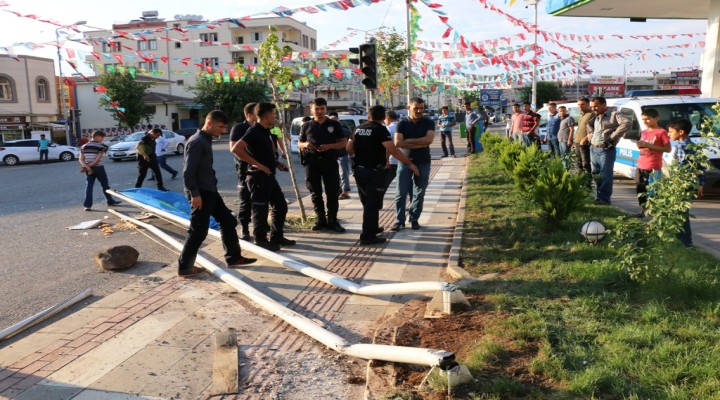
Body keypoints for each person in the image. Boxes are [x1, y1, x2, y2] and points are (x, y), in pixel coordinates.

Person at [178, 110, 256, 277]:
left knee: (228, 221)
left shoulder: (205, 140)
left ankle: (234, 257)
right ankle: (185, 267)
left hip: (210, 190)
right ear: (209, 123)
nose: (222, 131)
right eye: (220, 127)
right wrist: (194, 194)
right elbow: (188, 172)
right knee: (198, 231)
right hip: (201, 193)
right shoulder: (197, 142)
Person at [348, 105, 419, 245]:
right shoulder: (380, 129)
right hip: (373, 172)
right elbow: (393, 149)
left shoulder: (357, 129)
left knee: (367, 201)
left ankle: (373, 227)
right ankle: (367, 236)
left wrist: (361, 156)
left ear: (369, 116)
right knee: (372, 204)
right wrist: (409, 163)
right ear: (383, 118)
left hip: (359, 170)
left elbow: (349, 148)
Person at [232, 102, 295, 251]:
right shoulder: (254, 131)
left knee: (280, 206)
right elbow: (236, 149)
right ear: (267, 116)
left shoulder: (266, 131)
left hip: (269, 177)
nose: (275, 117)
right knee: (260, 210)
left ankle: (276, 236)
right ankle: (260, 240)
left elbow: (262, 152)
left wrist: (276, 163)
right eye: (274, 114)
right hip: (258, 178)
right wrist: (258, 165)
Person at [298, 98, 347, 233]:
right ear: (311, 109)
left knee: (332, 191)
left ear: (326, 109)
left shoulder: (334, 124)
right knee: (315, 192)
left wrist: (329, 146)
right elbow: (299, 143)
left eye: (322, 108)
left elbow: (343, 142)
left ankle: (332, 220)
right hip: (311, 162)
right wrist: (306, 145)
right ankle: (320, 220)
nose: (319, 111)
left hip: (329, 161)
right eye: (317, 108)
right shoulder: (306, 125)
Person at [392, 97, 435, 231]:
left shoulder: (428, 122)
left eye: (421, 108)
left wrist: (409, 141)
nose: (419, 110)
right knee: (401, 193)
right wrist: (420, 143)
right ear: (409, 108)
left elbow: (429, 140)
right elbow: (398, 143)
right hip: (405, 162)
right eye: (416, 108)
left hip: (423, 161)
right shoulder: (402, 124)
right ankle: (399, 221)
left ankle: (414, 218)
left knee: (419, 193)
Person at [667, 118, 705, 248]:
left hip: (682, 184)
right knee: (679, 212)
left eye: (671, 132)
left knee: (681, 213)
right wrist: (701, 183)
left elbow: (681, 167)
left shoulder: (683, 147)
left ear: (681, 132)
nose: (669, 134)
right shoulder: (690, 145)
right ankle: (681, 239)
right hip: (684, 183)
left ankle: (686, 242)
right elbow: (701, 166)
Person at [587, 96, 630, 205]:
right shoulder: (596, 116)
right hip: (593, 148)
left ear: (603, 105)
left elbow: (627, 123)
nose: (593, 109)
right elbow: (589, 125)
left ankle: (604, 200)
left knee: (605, 176)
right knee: (596, 175)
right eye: (592, 107)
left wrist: (612, 136)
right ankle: (599, 197)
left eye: (596, 106)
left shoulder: (614, 114)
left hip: (605, 150)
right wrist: (590, 134)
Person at [634, 108, 671, 217]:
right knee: (640, 188)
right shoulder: (644, 132)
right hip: (641, 163)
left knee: (652, 190)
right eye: (643, 119)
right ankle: (643, 210)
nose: (645, 122)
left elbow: (667, 149)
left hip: (653, 165)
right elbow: (643, 145)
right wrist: (640, 145)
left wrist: (650, 146)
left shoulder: (662, 132)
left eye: (648, 119)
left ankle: (653, 212)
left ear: (656, 118)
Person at [229, 102, 257, 241]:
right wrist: (253, 161)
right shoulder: (239, 128)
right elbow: (233, 149)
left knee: (262, 198)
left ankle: (260, 226)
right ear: (249, 115)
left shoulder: (262, 127)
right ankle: (245, 228)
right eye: (257, 112)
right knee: (245, 199)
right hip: (245, 169)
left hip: (261, 169)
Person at [79, 130, 122, 211]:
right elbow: (98, 159)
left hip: (88, 169)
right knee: (105, 185)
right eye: (102, 137)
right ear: (97, 136)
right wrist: (90, 167)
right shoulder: (100, 146)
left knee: (89, 186)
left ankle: (87, 205)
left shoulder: (83, 146)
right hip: (99, 168)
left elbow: (81, 159)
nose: (103, 139)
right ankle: (110, 201)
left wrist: (87, 168)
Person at [328, 111, 352, 200]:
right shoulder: (328, 130)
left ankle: (345, 192)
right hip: (332, 156)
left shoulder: (343, 130)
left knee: (343, 174)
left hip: (342, 154)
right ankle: (339, 191)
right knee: (335, 175)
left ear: (338, 121)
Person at [573, 98, 593, 175]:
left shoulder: (591, 115)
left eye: (582, 104)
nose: (580, 106)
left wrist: (585, 139)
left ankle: (587, 184)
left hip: (585, 144)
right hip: (577, 142)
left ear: (588, 105)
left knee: (586, 165)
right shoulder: (582, 114)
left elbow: (593, 129)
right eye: (578, 104)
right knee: (578, 164)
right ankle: (580, 182)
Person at [383, 110, 400, 190]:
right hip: (405, 160)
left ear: (387, 118)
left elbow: (387, 148)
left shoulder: (388, 129)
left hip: (392, 161)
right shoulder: (403, 126)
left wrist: (386, 161)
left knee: (383, 184)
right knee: (403, 185)